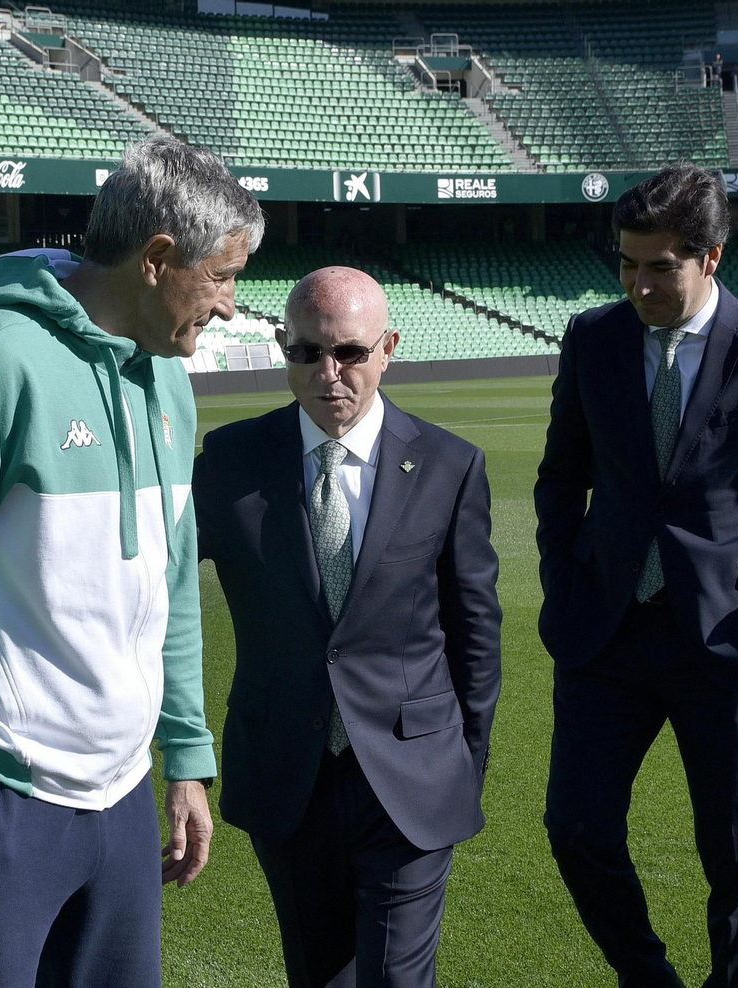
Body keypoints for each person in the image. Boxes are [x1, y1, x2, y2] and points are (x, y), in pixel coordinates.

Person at [0, 135, 263, 987]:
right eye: (222, 276)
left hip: (119, 801)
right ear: (157, 259)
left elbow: (172, 581)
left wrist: (185, 754)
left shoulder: (170, 380)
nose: (229, 305)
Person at [534, 165, 738, 988]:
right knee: (576, 830)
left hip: (730, 636)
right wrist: (563, 586)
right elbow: (561, 478)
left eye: (660, 266)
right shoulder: (592, 338)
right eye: (627, 264)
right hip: (606, 633)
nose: (639, 283)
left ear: (710, 257)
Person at [193, 266, 502, 988]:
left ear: (388, 348)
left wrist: (457, 765)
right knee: (318, 977)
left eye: (351, 354)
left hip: (410, 779)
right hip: (284, 775)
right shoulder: (230, 462)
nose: (329, 374)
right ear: (282, 346)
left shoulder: (451, 465)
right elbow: (156, 588)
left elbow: (476, 636)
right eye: (307, 353)